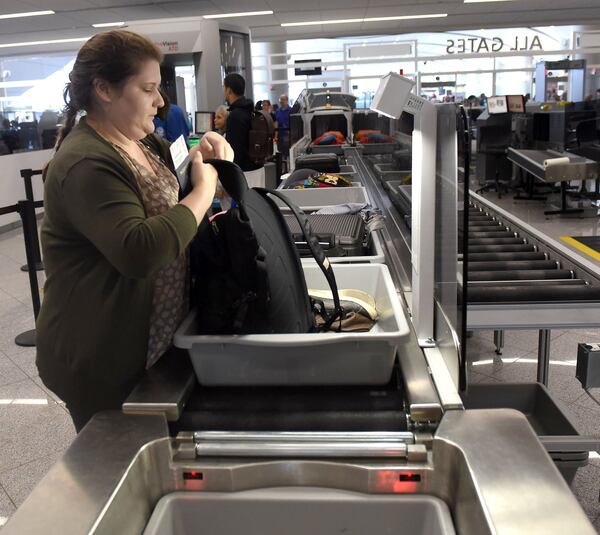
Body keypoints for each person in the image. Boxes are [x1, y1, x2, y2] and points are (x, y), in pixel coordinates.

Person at [36, 30, 233, 432]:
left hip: (156, 343)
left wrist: (203, 155)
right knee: (115, 471)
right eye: (148, 89)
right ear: (104, 89)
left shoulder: (141, 143)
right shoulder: (85, 164)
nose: (160, 101)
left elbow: (170, 188)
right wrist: (206, 187)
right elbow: (140, 249)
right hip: (102, 355)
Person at [223, 73, 258, 171]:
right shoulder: (249, 110)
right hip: (255, 167)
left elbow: (235, 150)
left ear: (229, 90)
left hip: (244, 171)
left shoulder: (235, 116)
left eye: (224, 88)